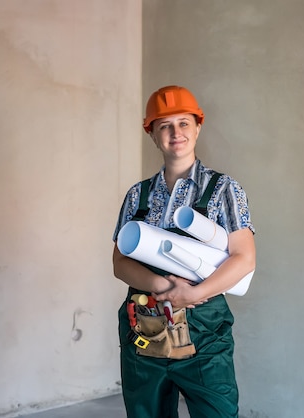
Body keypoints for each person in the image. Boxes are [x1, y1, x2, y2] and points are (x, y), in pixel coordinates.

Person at [112, 85, 256, 418]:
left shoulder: (223, 189)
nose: (175, 133)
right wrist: (163, 287)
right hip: (145, 330)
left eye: (183, 123)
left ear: (197, 127)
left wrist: (191, 295)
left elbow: (244, 258)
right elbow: (120, 262)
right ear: (152, 133)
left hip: (204, 334)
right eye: (165, 125)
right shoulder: (138, 195)